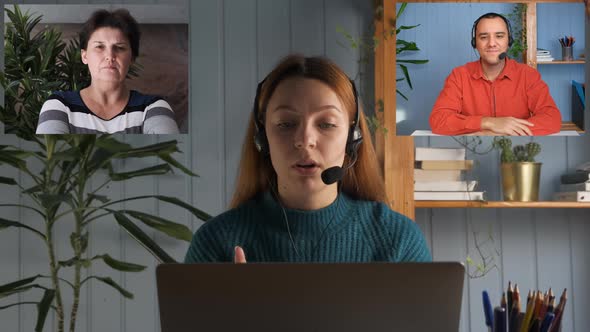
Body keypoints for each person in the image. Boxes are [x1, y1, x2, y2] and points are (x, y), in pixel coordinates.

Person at [185, 55, 431, 263]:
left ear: (352, 138)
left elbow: (426, 322)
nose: (305, 139)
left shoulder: (398, 239)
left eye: (326, 124)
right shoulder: (216, 243)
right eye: (286, 124)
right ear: (262, 137)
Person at [36, 9, 179, 134]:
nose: (110, 56)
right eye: (99, 47)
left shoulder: (153, 107)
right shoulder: (59, 105)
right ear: (84, 56)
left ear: (132, 58)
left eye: (120, 47)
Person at [430, 12, 561, 136]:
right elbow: (439, 120)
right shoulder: (459, 75)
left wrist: (497, 133)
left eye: (499, 36)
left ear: (509, 41)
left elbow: (552, 118)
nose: (492, 43)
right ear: (474, 43)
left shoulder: (528, 75)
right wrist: (488, 122)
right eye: (484, 37)